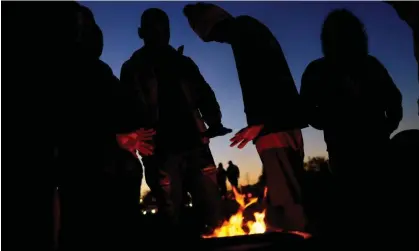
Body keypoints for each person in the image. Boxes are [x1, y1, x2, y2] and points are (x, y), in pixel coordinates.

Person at [183, 2, 308, 232]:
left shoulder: (246, 33)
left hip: (274, 130)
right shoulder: (246, 31)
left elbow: (271, 78)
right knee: (284, 199)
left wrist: (261, 124)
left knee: (288, 204)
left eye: (213, 35)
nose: (217, 40)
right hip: (275, 126)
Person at [119, 8, 232, 236]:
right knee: (172, 218)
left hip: (195, 146)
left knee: (212, 212)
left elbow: (203, 93)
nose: (160, 34)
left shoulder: (182, 63)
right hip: (160, 152)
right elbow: (125, 107)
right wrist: (131, 137)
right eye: (154, 29)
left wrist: (214, 122)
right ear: (142, 32)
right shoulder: (133, 68)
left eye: (164, 29)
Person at [56, 5, 154, 251]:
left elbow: (123, 109)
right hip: (83, 176)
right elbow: (65, 128)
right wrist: (114, 140)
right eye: (79, 28)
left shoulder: (101, 73)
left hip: (118, 174)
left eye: (87, 28)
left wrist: (133, 134)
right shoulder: (59, 74)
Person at [299, 9, 403, 242]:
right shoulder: (318, 71)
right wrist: (334, 121)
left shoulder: (369, 66)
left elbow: (394, 101)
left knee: (377, 213)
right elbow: (307, 111)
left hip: (374, 151)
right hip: (345, 153)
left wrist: (385, 127)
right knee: (360, 214)